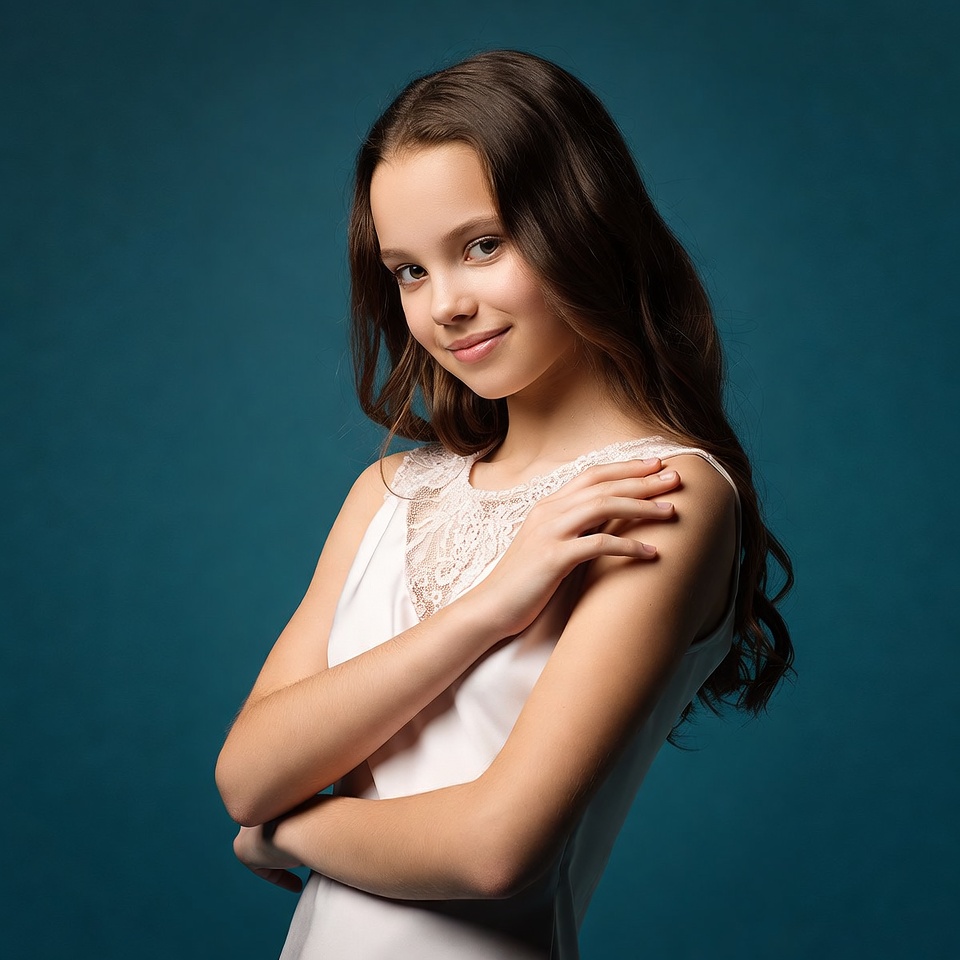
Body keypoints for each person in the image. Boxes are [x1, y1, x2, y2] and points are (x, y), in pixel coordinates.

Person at [215, 49, 794, 959]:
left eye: (482, 245)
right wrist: (492, 605)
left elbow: (495, 849)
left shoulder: (660, 494)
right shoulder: (390, 493)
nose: (445, 304)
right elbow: (247, 774)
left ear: (583, 225)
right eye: (408, 271)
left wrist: (288, 835)